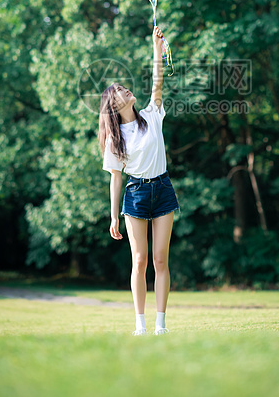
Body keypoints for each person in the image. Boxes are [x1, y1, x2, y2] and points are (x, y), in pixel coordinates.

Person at [98, 25, 180, 336]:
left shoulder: (152, 113)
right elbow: (115, 180)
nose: (124, 90)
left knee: (161, 259)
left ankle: (161, 324)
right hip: (135, 195)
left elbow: (157, 82)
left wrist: (156, 48)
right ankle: (140, 325)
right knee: (140, 260)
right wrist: (113, 215)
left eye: (123, 88)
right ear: (114, 106)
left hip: (162, 189)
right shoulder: (115, 140)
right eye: (118, 91)